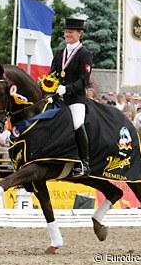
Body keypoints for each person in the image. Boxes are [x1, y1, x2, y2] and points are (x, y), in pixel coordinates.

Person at [50, 17, 92, 177]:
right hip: (58, 97)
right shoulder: (60, 53)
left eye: (71, 32)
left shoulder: (84, 54)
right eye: (66, 32)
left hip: (75, 99)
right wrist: (49, 87)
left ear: (79, 34)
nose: (67, 34)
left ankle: (85, 163)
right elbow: (53, 73)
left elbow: (83, 80)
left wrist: (66, 89)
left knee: (77, 124)